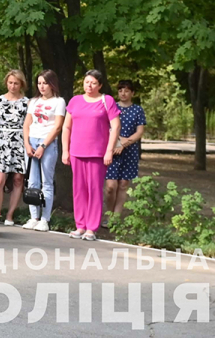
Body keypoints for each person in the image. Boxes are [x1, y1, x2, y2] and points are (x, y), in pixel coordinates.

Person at [62, 70, 121, 240]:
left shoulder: (106, 100)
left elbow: (115, 126)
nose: (89, 85)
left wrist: (109, 150)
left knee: (94, 190)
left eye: (94, 83)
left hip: (97, 153)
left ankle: (91, 228)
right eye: (87, 82)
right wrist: (66, 150)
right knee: (79, 190)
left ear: (100, 85)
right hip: (76, 152)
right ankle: (80, 226)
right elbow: (67, 127)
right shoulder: (75, 101)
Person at [22, 70, 65, 232]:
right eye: (39, 83)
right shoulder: (33, 101)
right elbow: (27, 124)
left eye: (45, 83)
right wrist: (27, 144)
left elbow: (58, 127)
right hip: (32, 141)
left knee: (46, 182)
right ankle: (34, 217)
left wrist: (43, 146)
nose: (41, 86)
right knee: (32, 182)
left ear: (52, 84)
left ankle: (45, 219)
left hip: (47, 143)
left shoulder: (59, 101)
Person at [104, 79, 146, 225]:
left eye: (126, 91)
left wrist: (124, 142)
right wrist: (118, 142)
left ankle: (115, 218)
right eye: (120, 90)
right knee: (110, 186)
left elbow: (139, 132)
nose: (123, 93)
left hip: (130, 151)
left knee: (123, 184)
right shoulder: (112, 107)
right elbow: (106, 127)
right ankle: (108, 214)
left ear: (132, 93)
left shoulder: (138, 110)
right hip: (112, 149)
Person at [0, 71, 30, 225]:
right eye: (10, 82)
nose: (13, 86)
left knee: (18, 179)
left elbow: (29, 124)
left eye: (16, 83)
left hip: (20, 141)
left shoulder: (27, 102)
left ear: (21, 84)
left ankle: (10, 215)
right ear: (6, 83)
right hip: (2, 141)